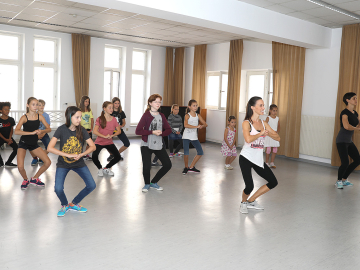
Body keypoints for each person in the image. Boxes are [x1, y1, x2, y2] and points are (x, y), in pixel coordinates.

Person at [47, 106, 96, 217]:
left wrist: (82, 155)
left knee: (91, 185)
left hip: (78, 163)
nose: (80, 120)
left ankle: (73, 204)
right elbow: (50, 148)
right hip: (63, 164)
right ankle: (64, 205)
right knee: (58, 189)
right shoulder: (61, 129)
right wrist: (68, 155)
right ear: (69, 117)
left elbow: (93, 146)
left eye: (80, 117)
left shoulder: (82, 130)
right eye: (77, 117)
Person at [239, 96, 279, 214]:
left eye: (263, 105)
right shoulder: (246, 123)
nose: (263, 107)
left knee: (273, 182)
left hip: (257, 159)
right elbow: (248, 139)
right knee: (249, 186)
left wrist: (269, 133)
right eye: (260, 105)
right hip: (246, 158)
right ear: (253, 107)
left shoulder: (264, 123)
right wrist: (261, 133)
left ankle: (251, 201)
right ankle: (243, 203)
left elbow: (278, 137)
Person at [135, 94, 172, 192]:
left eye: (159, 102)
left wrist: (161, 134)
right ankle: (147, 184)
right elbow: (138, 131)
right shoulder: (146, 115)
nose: (158, 104)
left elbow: (168, 129)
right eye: (156, 101)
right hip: (146, 144)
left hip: (158, 144)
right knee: (147, 167)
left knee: (168, 164)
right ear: (150, 103)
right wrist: (152, 132)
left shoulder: (162, 115)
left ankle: (153, 182)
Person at [15, 97, 51, 190]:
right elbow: (16, 131)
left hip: (34, 144)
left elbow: (49, 129)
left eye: (37, 104)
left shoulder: (40, 116)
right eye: (33, 104)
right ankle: (25, 179)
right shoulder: (24, 117)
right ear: (28, 105)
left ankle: (34, 179)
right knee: (20, 166)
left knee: (47, 162)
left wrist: (41, 131)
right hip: (23, 143)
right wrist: (30, 133)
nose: (36, 106)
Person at [335, 92, 360, 189]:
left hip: (349, 141)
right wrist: (358, 129)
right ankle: (338, 181)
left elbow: (358, 124)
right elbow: (346, 126)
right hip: (341, 140)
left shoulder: (356, 113)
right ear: (347, 100)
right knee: (345, 163)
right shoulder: (344, 113)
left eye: (356, 98)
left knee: (358, 160)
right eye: (354, 98)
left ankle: (344, 179)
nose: (356, 100)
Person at [92, 101, 122, 176]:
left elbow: (119, 131)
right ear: (104, 108)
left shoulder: (114, 119)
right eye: (109, 108)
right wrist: (104, 136)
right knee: (94, 156)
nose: (111, 109)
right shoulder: (100, 119)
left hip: (109, 142)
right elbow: (94, 131)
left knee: (118, 157)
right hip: (99, 142)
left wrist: (112, 136)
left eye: (112, 107)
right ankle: (100, 169)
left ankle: (107, 168)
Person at [182, 99, 208, 175]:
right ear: (189, 107)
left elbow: (206, 124)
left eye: (196, 105)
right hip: (186, 136)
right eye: (194, 105)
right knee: (186, 153)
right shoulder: (187, 115)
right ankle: (186, 167)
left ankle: (191, 167)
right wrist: (197, 126)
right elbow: (185, 125)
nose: (195, 107)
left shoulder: (198, 115)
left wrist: (201, 126)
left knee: (200, 152)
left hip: (194, 137)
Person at [107, 97, 130, 162]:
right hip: (111, 130)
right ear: (112, 104)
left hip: (119, 130)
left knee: (127, 143)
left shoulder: (121, 112)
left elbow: (124, 122)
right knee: (107, 143)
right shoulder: (110, 112)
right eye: (115, 103)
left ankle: (116, 154)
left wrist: (121, 126)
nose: (117, 105)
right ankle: (111, 155)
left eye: (118, 103)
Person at [30, 99, 51, 166]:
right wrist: (37, 134)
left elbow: (48, 126)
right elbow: (32, 126)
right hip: (35, 133)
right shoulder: (34, 114)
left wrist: (43, 133)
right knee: (30, 145)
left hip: (44, 133)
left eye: (43, 105)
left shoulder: (46, 115)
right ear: (36, 106)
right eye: (39, 105)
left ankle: (41, 157)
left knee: (49, 147)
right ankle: (35, 158)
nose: (42, 106)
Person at [0, 102, 17, 167]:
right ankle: (0, 163)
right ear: (1, 110)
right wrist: (5, 140)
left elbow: (11, 130)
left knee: (16, 149)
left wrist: (9, 139)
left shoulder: (11, 119)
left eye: (8, 109)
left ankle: (8, 162)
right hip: (1, 137)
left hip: (9, 137)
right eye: (5, 109)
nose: (7, 111)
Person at [264, 104, 280, 168]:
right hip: (269, 136)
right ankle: (267, 162)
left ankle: (272, 162)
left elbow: (279, 127)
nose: (275, 112)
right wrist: (269, 132)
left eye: (276, 111)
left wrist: (277, 132)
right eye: (273, 110)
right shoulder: (268, 118)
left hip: (275, 136)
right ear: (270, 110)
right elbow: (265, 125)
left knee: (275, 149)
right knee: (268, 149)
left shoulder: (277, 118)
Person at [79, 95, 94, 160]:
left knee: (89, 143)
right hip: (82, 129)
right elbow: (78, 120)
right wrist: (82, 129)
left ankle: (85, 154)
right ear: (83, 102)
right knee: (81, 143)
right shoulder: (79, 110)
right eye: (86, 101)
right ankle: (80, 155)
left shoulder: (89, 110)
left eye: (88, 101)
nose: (87, 103)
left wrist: (91, 129)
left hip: (88, 129)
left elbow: (92, 119)